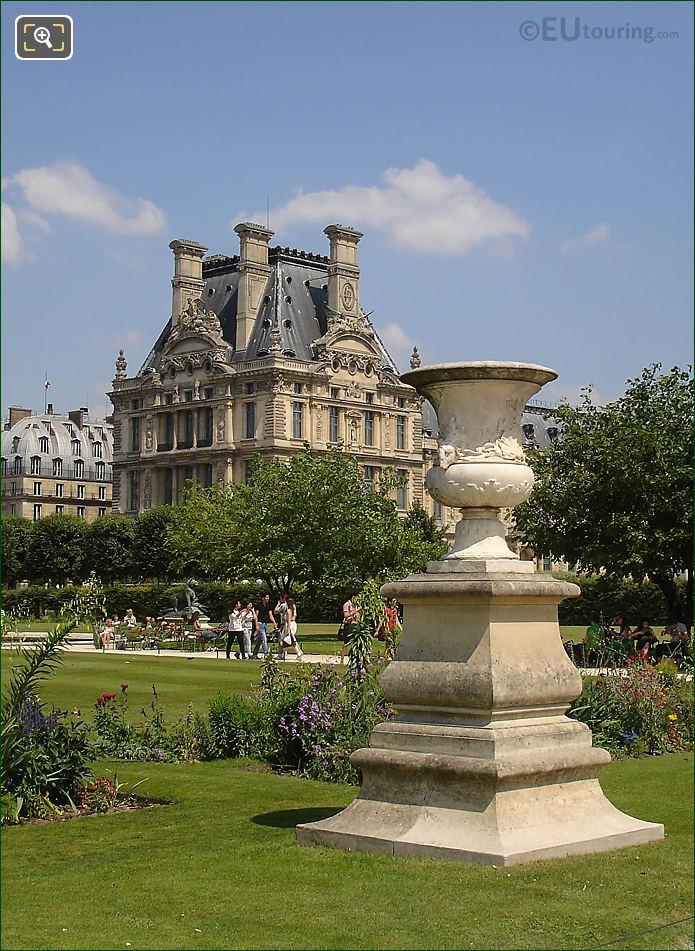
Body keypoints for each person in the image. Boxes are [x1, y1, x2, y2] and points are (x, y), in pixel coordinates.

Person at [340, 595, 360, 665]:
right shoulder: (347, 604)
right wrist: (354, 612)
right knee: (346, 643)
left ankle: (355, 659)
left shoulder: (356, 605)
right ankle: (342, 660)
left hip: (355, 624)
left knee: (356, 643)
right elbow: (346, 615)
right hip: (349, 625)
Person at [252, 593, 272, 659]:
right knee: (264, 639)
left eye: (268, 597)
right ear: (262, 598)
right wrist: (256, 625)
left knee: (260, 640)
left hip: (264, 624)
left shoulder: (268, 605)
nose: (268, 599)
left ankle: (254, 654)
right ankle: (267, 654)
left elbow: (270, 615)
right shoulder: (258, 605)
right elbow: (256, 616)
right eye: (266, 597)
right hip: (260, 623)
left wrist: (274, 623)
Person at [274, 593, 290, 660]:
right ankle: (282, 654)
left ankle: (281, 654)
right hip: (284, 623)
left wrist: (278, 604)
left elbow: (275, 611)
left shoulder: (283, 605)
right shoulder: (288, 605)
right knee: (283, 639)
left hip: (284, 624)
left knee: (281, 640)